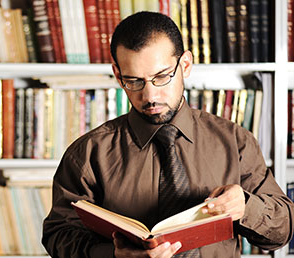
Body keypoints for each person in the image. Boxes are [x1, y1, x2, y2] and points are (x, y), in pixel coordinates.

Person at [41, 11, 294, 258]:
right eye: (134, 81)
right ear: (118, 75)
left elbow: (281, 232)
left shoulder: (235, 141)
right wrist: (113, 255)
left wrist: (246, 207)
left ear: (185, 65)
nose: (150, 96)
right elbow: (58, 236)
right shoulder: (87, 153)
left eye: (161, 77)